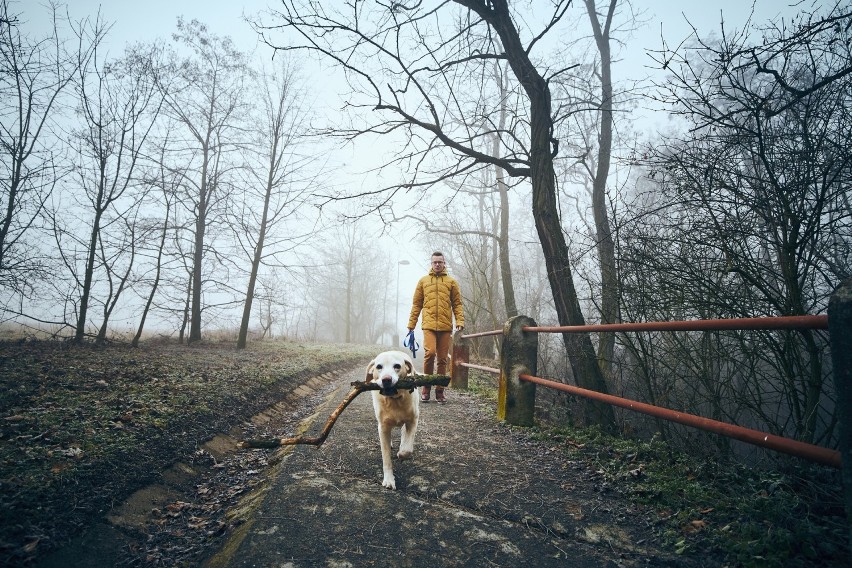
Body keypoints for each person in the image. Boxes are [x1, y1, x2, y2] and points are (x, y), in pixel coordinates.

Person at [406, 251, 464, 403]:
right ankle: (426, 387)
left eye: (440, 262)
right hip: (429, 325)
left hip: (445, 326)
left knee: (443, 360)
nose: (437, 264)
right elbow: (417, 304)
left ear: (444, 263)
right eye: (435, 262)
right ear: (431, 264)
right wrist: (411, 324)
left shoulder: (451, 282)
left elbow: (457, 304)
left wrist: (460, 321)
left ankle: (440, 391)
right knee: (430, 353)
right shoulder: (423, 281)